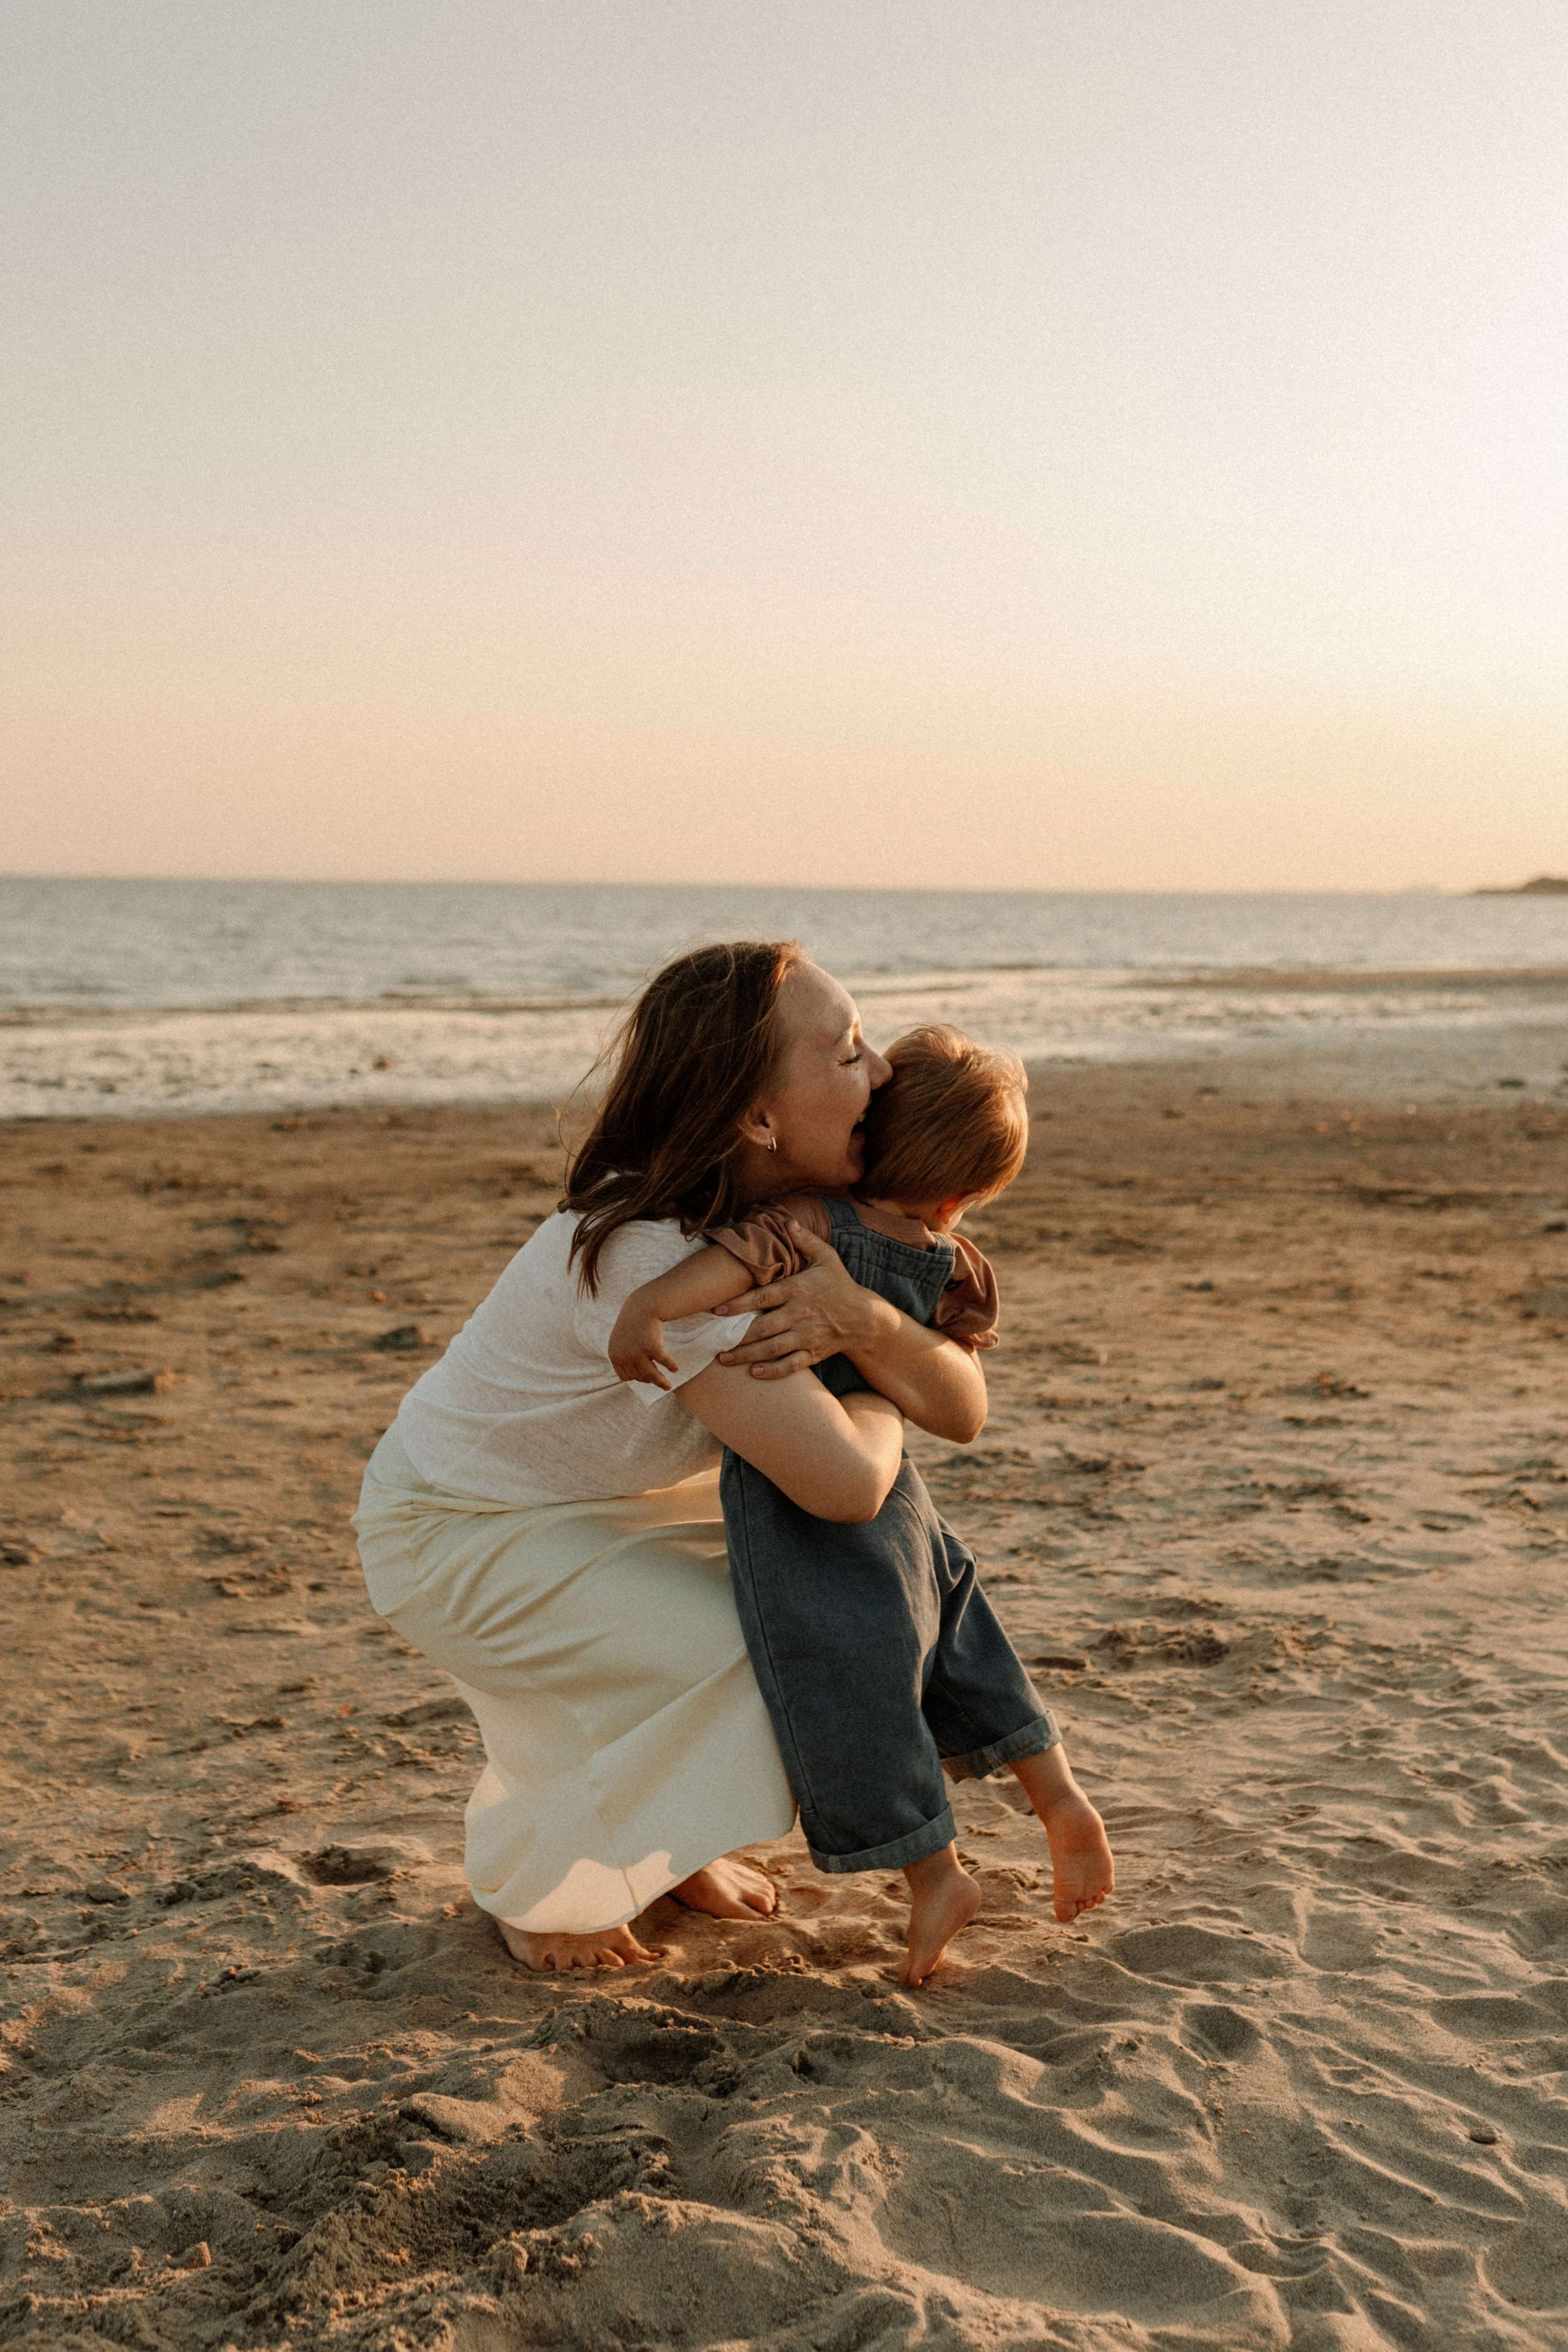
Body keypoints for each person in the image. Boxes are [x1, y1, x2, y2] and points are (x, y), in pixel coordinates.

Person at [608, 1024, 1114, 1981]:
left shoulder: (810, 1220)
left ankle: (936, 1876)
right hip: (910, 1504)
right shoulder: (955, 1264)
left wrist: (650, 1308)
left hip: (816, 1503)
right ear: (960, 1198)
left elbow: (724, 1272)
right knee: (964, 1638)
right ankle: (1060, 1800)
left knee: (853, 1685)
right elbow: (960, 1390)